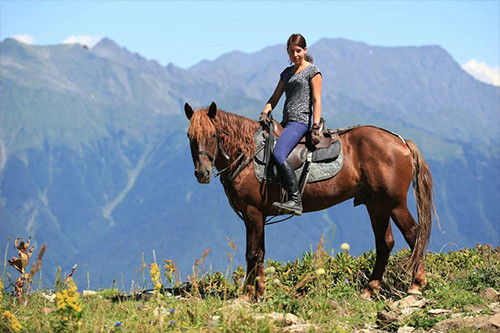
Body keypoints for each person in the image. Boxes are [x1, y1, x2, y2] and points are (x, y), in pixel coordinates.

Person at [259, 33, 322, 216]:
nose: (295, 55)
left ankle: (295, 199)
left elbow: (317, 101)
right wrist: (265, 112)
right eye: (291, 51)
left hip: (300, 122)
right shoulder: (286, 73)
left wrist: (316, 126)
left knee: (279, 152)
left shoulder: (313, 71)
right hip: (285, 122)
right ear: (287, 52)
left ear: (305, 50)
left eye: (298, 51)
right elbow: (274, 98)